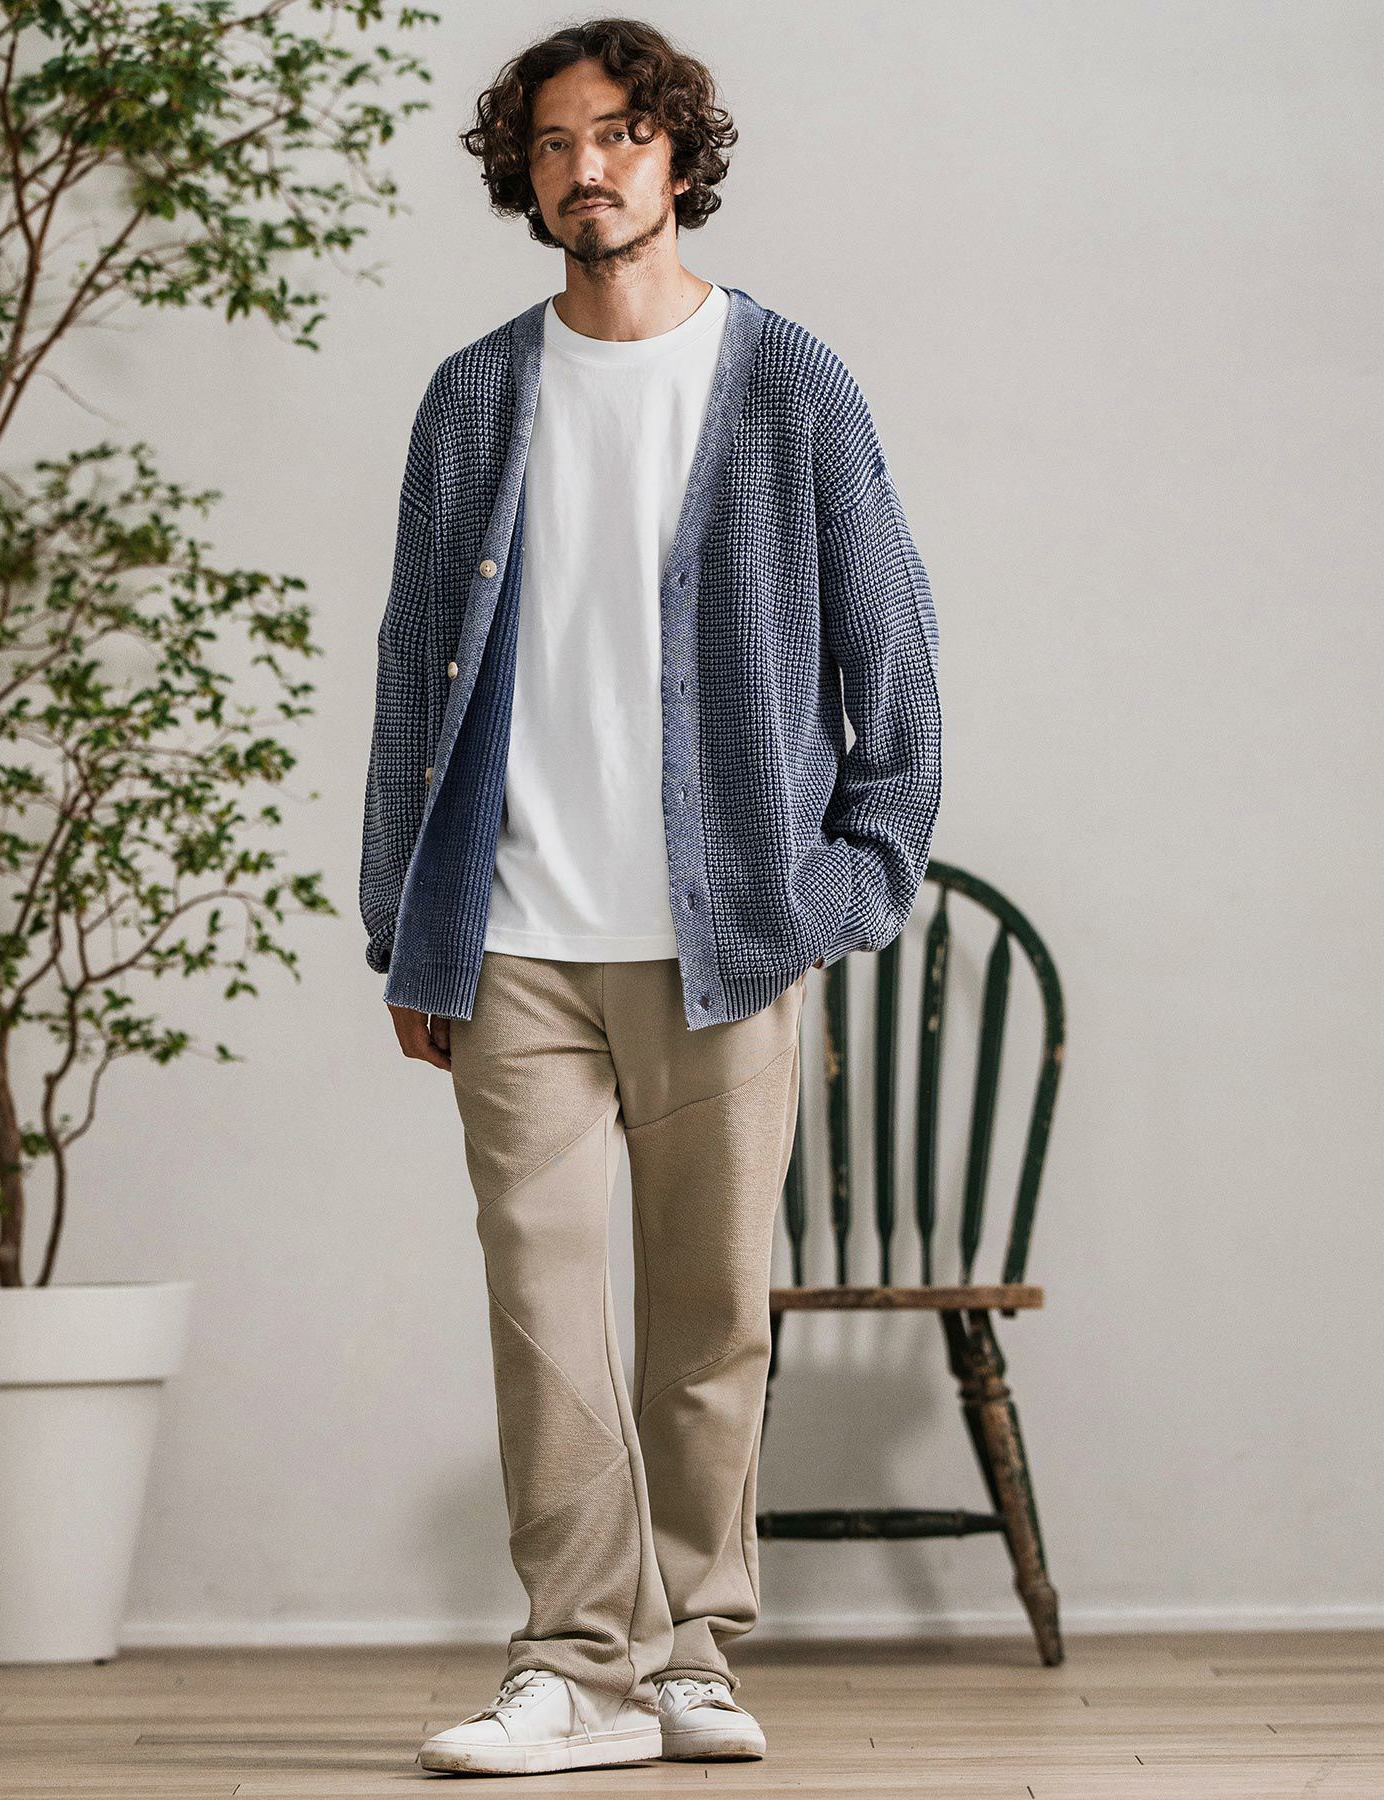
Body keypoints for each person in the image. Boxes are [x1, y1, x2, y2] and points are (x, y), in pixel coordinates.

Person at [358, 16, 942, 1779]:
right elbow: (410, 676)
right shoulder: (476, 395)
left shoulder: (789, 383)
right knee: (544, 1320)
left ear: (679, 154)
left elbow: (895, 661)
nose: (585, 167)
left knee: (709, 1321)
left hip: (725, 937)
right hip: (515, 935)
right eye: (552, 143)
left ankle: (689, 1654)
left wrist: (848, 882)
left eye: (618, 133)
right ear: (522, 176)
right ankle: (570, 1668)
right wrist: (406, 920)